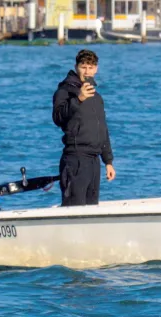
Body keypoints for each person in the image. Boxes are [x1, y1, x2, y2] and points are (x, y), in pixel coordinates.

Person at [52, 49, 116, 206]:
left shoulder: (97, 97)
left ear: (96, 69)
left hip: (94, 162)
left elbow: (102, 129)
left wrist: (108, 161)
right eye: (83, 67)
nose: (87, 71)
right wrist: (78, 99)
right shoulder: (64, 91)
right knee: (74, 209)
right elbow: (58, 118)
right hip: (75, 159)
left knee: (92, 209)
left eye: (91, 67)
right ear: (76, 67)